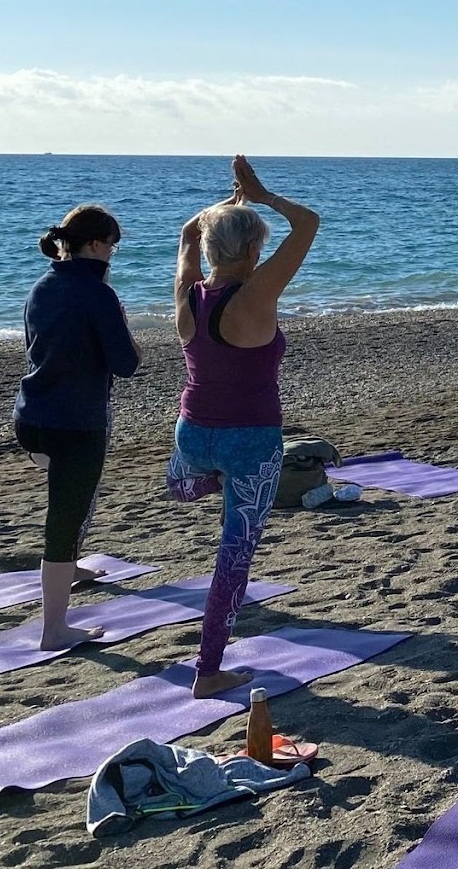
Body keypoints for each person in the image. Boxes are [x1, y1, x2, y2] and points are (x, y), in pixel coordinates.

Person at [167, 157, 319, 698]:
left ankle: (201, 481)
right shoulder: (257, 295)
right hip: (252, 443)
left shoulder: (188, 293)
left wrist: (218, 212)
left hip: (192, 433)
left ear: (209, 249)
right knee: (233, 559)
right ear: (254, 251)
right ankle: (208, 671)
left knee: (186, 486)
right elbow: (309, 225)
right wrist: (260, 194)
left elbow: (187, 236)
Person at [12, 206, 141, 650]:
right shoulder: (98, 294)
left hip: (30, 418)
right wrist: (123, 327)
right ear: (93, 245)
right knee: (64, 520)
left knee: (72, 504)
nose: (112, 255)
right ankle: (54, 629)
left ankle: (73, 567)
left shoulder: (42, 285)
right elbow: (125, 364)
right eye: (112, 246)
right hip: (75, 425)